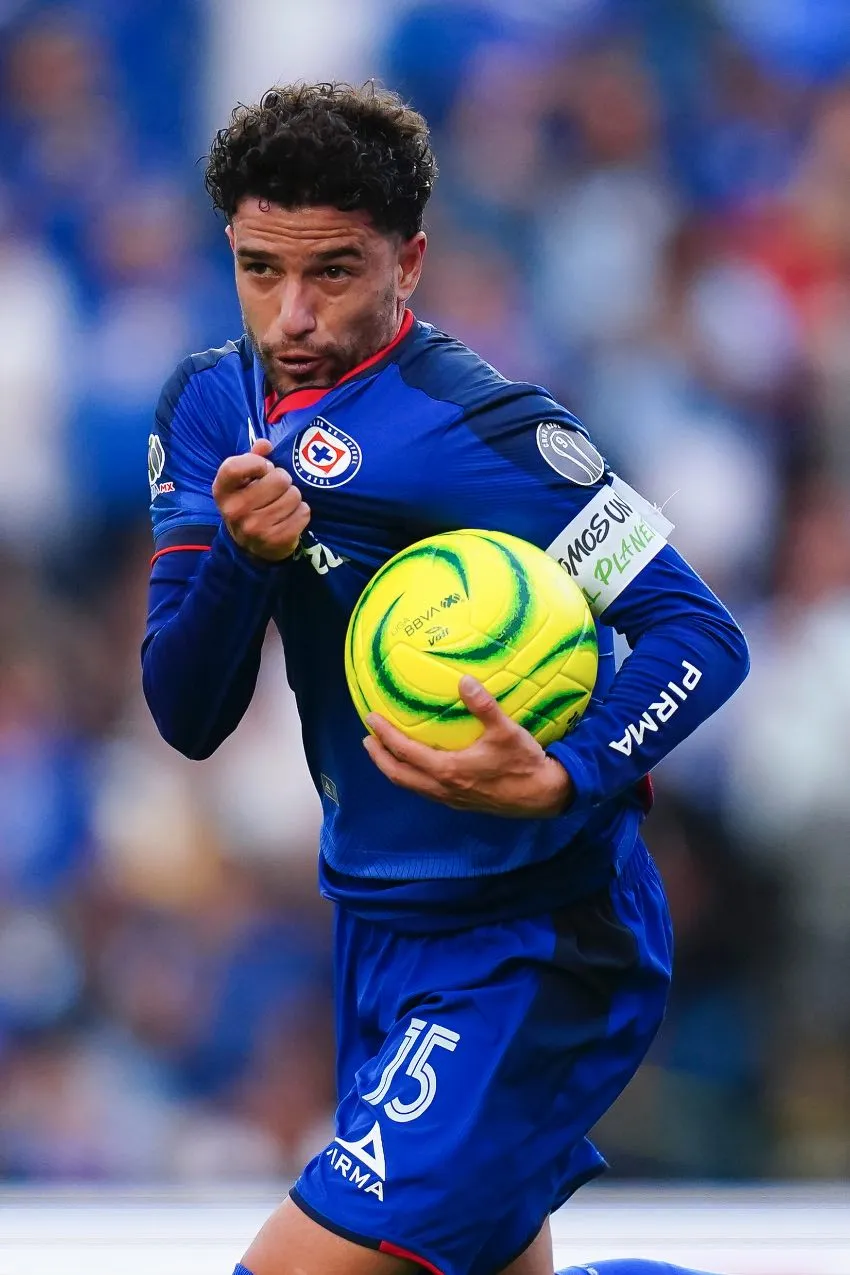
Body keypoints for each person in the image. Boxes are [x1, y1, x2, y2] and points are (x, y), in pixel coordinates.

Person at [142, 83, 749, 1275]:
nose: (293, 314)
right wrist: (244, 566)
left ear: (409, 261)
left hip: (530, 940)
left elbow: (697, 633)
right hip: (376, 924)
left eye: (335, 272)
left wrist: (568, 771)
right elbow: (187, 711)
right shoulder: (211, 405)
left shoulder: (494, 435)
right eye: (261, 270)